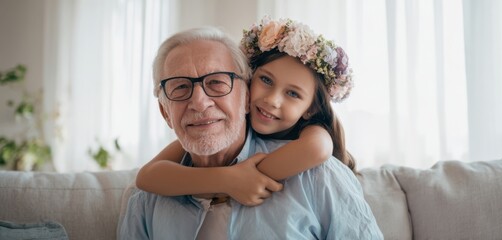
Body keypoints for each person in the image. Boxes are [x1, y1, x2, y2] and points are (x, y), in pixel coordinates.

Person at [118, 21, 382, 239]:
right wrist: (226, 180)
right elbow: (147, 177)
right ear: (166, 113)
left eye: (217, 82)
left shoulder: (318, 175)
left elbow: (318, 147)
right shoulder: (146, 200)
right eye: (180, 87)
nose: (199, 103)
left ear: (245, 96)